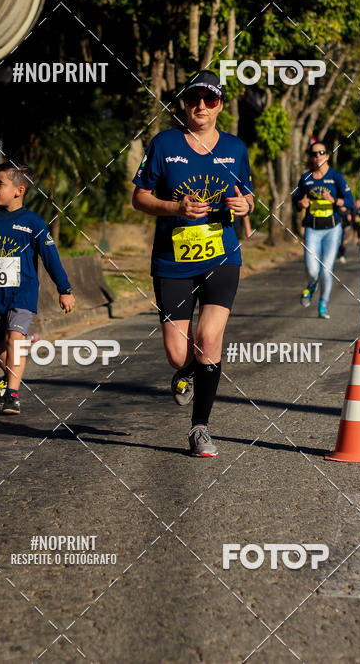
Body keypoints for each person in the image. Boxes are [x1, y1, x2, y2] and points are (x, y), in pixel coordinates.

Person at [132, 71, 254, 457]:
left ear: (220, 105)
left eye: (210, 100)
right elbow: (139, 198)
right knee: (178, 353)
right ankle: (186, 373)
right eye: (193, 99)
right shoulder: (165, 143)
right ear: (184, 104)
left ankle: (200, 428)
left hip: (222, 255)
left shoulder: (235, 148)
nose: (201, 106)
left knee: (209, 339)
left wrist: (244, 205)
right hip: (173, 259)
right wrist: (175, 207)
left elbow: (247, 197)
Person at [0, 162, 75, 415]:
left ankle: (13, 395)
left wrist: (65, 289)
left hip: (23, 294)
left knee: (13, 340)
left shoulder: (33, 222)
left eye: (0, 184)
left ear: (19, 190)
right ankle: (9, 378)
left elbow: (51, 258)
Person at [293, 141, 354, 319]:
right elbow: (296, 201)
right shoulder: (305, 178)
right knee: (312, 269)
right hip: (312, 229)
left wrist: (334, 200)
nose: (318, 156)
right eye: (314, 154)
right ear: (311, 157)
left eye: (321, 152)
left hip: (332, 230)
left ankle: (323, 304)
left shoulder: (336, 177)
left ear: (327, 155)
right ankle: (312, 285)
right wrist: (300, 203)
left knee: (326, 270)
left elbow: (349, 201)